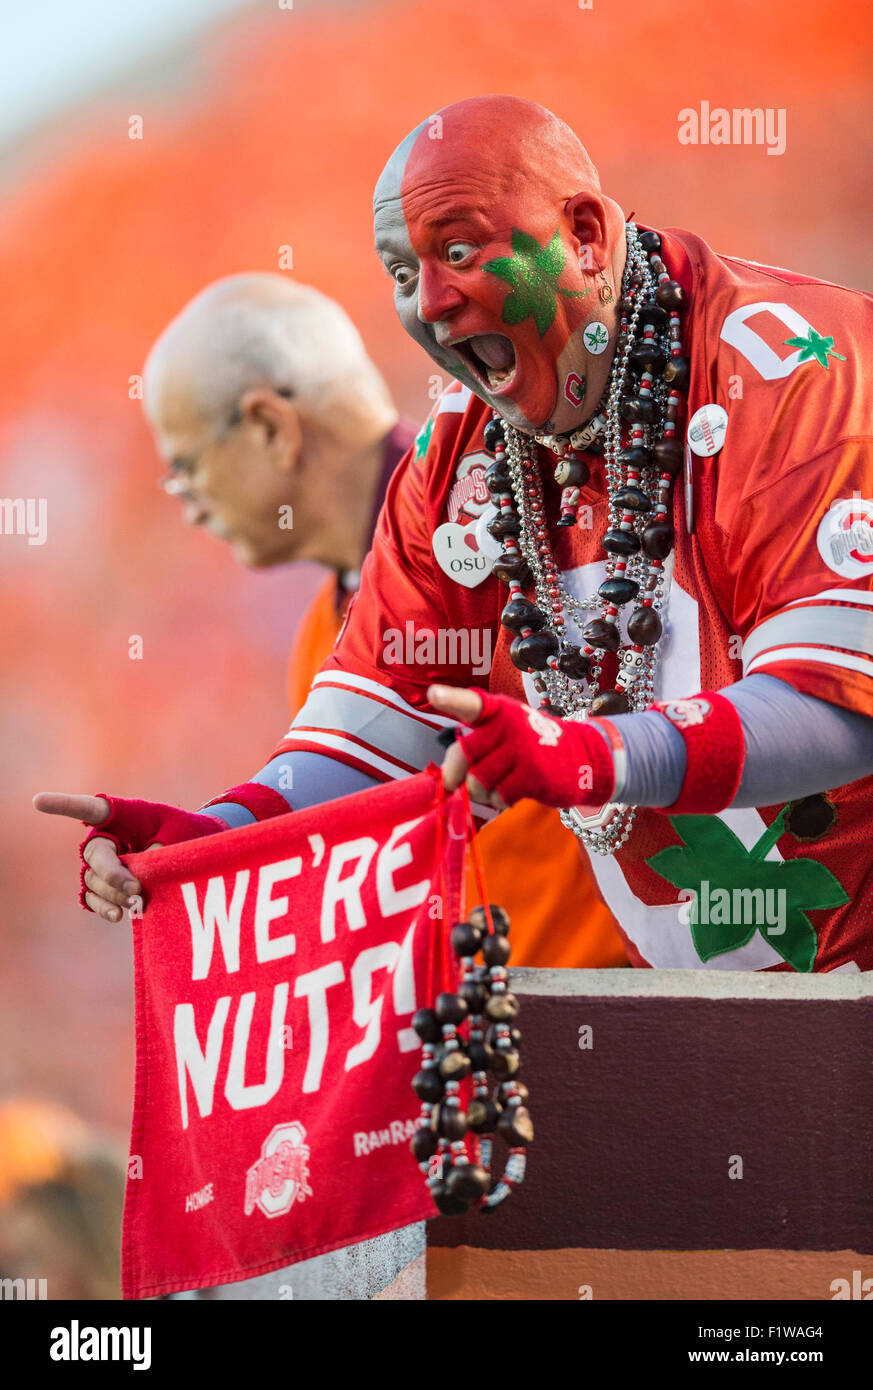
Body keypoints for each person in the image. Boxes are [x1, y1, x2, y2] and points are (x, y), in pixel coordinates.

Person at [38, 96, 873, 972]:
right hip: (699, 1020)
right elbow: (371, 739)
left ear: (584, 234)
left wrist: (590, 753)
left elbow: (839, 701)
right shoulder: (459, 462)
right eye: (402, 275)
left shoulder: (794, 375)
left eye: (460, 252)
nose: (431, 303)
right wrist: (214, 836)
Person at [75, 271, 623, 968]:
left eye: (186, 469)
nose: (187, 504)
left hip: (627, 1014)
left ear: (271, 427)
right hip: (498, 1035)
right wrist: (200, 847)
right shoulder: (319, 638)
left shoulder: (516, 522)